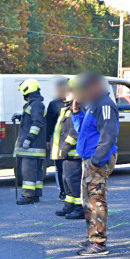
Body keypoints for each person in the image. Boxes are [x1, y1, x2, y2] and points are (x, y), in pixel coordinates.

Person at [75, 72, 119, 256]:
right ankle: (93, 236)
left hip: (98, 160)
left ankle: (99, 243)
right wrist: (76, 112)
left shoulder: (106, 106)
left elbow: (108, 137)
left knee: (96, 200)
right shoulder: (93, 105)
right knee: (88, 201)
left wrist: (96, 161)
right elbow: (81, 131)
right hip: (90, 159)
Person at [51, 87, 85, 219]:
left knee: (74, 180)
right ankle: (69, 205)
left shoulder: (77, 109)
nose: (66, 94)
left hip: (73, 153)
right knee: (67, 180)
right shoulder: (66, 108)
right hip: (65, 153)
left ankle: (79, 208)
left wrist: (64, 147)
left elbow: (75, 132)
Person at [14, 79, 47, 205]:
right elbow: (31, 120)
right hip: (36, 147)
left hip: (31, 147)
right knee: (37, 172)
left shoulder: (36, 105)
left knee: (28, 172)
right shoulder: (35, 104)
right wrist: (20, 117)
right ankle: (36, 195)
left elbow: (37, 123)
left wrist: (28, 139)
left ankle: (27, 196)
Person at [46, 77, 70, 200]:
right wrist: (46, 140)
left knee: (71, 168)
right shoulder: (54, 104)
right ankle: (62, 191)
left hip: (71, 141)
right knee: (59, 168)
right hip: (57, 142)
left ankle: (72, 192)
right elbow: (48, 123)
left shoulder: (76, 103)